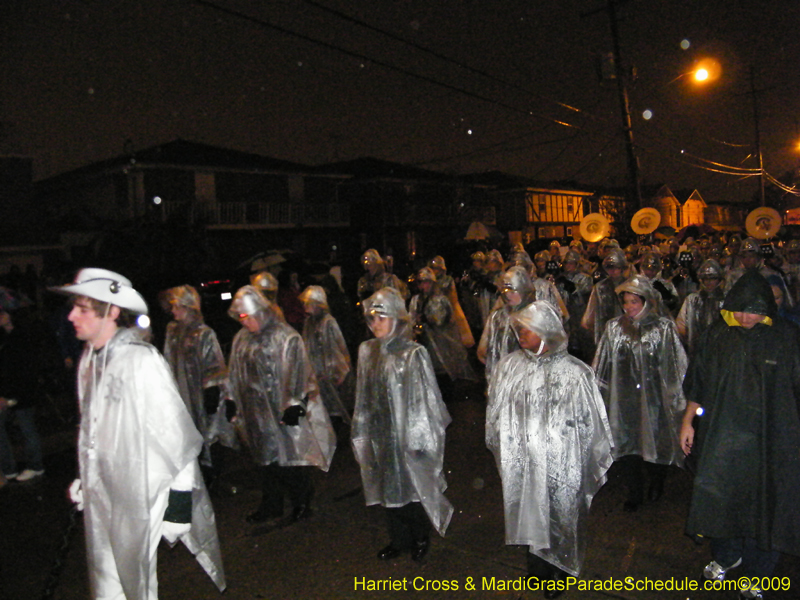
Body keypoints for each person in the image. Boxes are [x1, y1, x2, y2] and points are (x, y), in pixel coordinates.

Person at [51, 268, 225, 599]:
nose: (71, 315)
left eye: (83, 308)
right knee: (104, 581)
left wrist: (178, 503)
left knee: (135, 583)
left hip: (140, 493)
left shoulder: (140, 361)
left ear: (112, 311)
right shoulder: (89, 360)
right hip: (103, 495)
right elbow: (95, 429)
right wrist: (88, 478)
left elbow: (176, 436)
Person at [680, 269, 800, 600]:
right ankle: (726, 555)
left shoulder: (787, 338)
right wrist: (688, 421)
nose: (747, 317)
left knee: (765, 503)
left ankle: (759, 573)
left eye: (755, 309)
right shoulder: (717, 335)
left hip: (771, 438)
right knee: (721, 495)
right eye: (741, 309)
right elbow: (698, 382)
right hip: (723, 435)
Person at [486, 301, 613, 598]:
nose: (521, 334)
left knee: (560, 511)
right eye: (519, 328)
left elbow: (591, 422)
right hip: (524, 457)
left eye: (527, 328)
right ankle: (539, 569)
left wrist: (579, 458)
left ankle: (562, 568)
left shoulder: (575, 372)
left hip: (561, 460)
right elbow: (496, 411)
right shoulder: (511, 366)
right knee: (530, 508)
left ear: (546, 330)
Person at [351, 288, 453, 562]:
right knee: (387, 489)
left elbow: (423, 400)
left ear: (397, 317)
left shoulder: (412, 354)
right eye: (370, 320)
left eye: (381, 318)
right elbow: (362, 395)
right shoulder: (367, 351)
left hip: (407, 437)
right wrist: (360, 430)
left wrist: (419, 440)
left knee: (411, 490)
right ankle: (398, 539)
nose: (375, 326)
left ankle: (419, 536)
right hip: (380, 435)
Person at [227, 285, 335, 524]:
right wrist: (231, 400)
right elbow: (233, 374)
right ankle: (271, 503)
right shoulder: (241, 340)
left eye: (248, 317)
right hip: (255, 412)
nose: (244, 322)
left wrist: (296, 403)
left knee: (290, 460)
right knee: (264, 462)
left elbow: (301, 372)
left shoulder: (285, 337)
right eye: (240, 317)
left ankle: (301, 501)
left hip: (282, 410)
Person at [592, 275, 687, 512]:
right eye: (625, 302)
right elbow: (602, 363)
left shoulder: (663, 328)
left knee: (653, 441)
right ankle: (634, 492)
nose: (629, 307)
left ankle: (657, 481)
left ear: (646, 301)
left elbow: (676, 365)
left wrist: (676, 398)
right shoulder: (614, 328)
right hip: (624, 399)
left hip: (655, 398)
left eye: (634, 302)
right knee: (628, 445)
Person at [162, 285, 236, 487]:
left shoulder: (203, 333)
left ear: (189, 307)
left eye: (178, 307)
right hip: (181, 394)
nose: (174, 311)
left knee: (207, 433)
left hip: (200, 395)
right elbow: (168, 361)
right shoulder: (173, 331)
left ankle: (212, 473)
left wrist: (212, 390)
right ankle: (194, 473)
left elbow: (214, 364)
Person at [409, 268, 477, 401]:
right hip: (424, 341)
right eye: (421, 283)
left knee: (442, 372)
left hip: (440, 342)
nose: (424, 286)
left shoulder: (440, 300)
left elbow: (441, 320)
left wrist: (426, 318)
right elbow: (411, 317)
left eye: (426, 282)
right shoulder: (416, 300)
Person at [0, 303, 50, 482]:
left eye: (3, 313)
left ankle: (35, 465)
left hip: (22, 392)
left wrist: (9, 395)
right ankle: (9, 468)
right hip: (14, 391)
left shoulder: (20, 338)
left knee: (27, 427)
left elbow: (20, 370)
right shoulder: (7, 337)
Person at [298, 285, 353, 434]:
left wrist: (339, 371)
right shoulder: (309, 323)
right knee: (323, 408)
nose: (306, 307)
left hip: (331, 373)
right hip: (317, 374)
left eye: (309, 303)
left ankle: (341, 436)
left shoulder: (328, 322)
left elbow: (339, 347)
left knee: (337, 407)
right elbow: (306, 345)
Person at [477, 266, 537, 382]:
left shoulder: (536, 315)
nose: (508, 295)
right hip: (502, 381)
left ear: (523, 290)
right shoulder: (497, 317)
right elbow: (482, 352)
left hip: (528, 380)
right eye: (505, 291)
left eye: (513, 291)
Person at [675, 259, 725, 355]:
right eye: (706, 279)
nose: (709, 282)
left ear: (719, 279)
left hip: (721, 352)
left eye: (713, 278)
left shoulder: (727, 300)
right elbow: (680, 327)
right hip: (696, 351)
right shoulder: (692, 300)